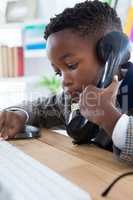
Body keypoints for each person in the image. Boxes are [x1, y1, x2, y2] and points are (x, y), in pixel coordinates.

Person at [0, 0, 133, 164]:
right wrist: (19, 114)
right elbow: (38, 108)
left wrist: (111, 119)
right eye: (58, 73)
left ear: (112, 53)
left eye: (71, 66)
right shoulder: (73, 101)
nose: (64, 82)